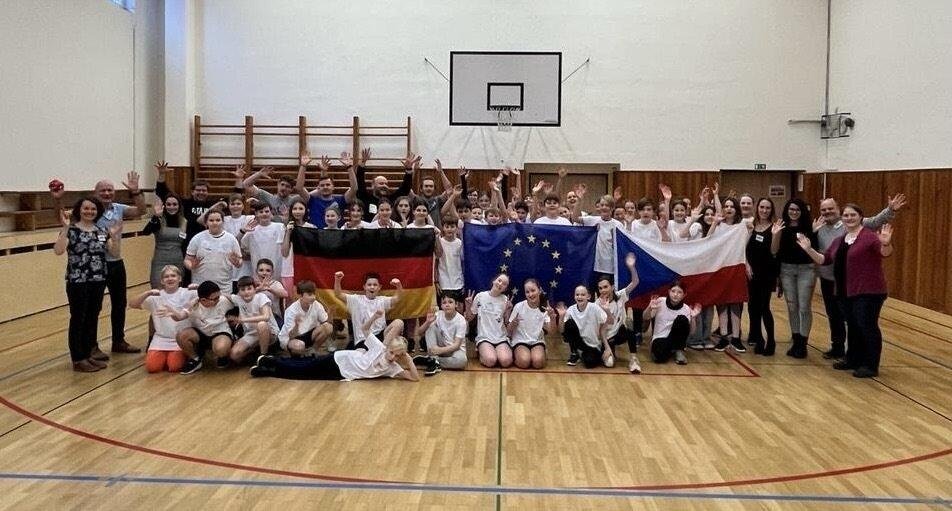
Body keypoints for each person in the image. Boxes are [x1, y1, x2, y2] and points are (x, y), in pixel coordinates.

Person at [796, 205, 895, 378]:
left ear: (860, 217)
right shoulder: (840, 240)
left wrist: (886, 244)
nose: (849, 218)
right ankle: (853, 359)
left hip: (869, 291)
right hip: (846, 291)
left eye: (853, 215)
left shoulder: (869, 237)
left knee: (867, 326)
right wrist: (808, 249)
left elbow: (884, 253)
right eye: (846, 215)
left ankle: (870, 364)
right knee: (854, 326)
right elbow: (824, 259)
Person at [813, 194, 903, 359]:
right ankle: (841, 350)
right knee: (836, 317)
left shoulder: (863, 230)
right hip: (832, 281)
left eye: (830, 208)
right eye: (823, 210)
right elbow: (823, 256)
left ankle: (867, 360)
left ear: (838, 209)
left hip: (860, 285)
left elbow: (879, 226)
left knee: (862, 323)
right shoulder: (823, 231)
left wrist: (890, 210)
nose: (827, 212)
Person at [53, 197, 121, 372]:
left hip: (97, 280)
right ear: (79, 210)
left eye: (93, 209)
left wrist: (114, 237)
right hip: (78, 281)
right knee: (78, 318)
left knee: (92, 317)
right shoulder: (72, 230)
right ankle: (78, 358)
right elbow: (58, 251)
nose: (89, 212)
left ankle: (88, 354)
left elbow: (114, 252)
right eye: (86, 208)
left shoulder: (101, 230)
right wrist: (65, 227)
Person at [250, 314, 419, 382]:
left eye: (397, 356)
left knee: (303, 376)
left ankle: (267, 371)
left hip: (341, 374)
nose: (392, 357)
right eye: (392, 353)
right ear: (388, 348)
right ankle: (270, 360)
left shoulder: (393, 368)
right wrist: (374, 317)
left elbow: (414, 378)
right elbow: (366, 330)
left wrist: (408, 359)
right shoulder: (379, 348)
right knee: (304, 367)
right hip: (340, 359)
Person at [770, 198, 818, 359]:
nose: (794, 212)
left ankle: (803, 343)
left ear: (802, 211)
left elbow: (814, 250)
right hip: (787, 269)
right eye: (791, 209)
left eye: (797, 209)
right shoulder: (781, 227)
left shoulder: (809, 228)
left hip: (806, 269)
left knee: (804, 306)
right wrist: (776, 234)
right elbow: (774, 250)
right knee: (792, 306)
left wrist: (812, 233)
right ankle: (796, 338)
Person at [129, 266, 196, 373]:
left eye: (173, 276)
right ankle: (163, 355)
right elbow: (132, 304)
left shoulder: (187, 293)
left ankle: (183, 354)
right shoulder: (156, 297)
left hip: (179, 339)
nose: (170, 279)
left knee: (174, 366)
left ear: (180, 278)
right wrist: (147, 293)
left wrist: (197, 288)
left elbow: (206, 294)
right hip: (161, 338)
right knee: (152, 367)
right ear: (162, 281)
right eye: (166, 277)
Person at [708, 196, 748, 353]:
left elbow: (745, 246)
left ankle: (736, 338)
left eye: (732, 206)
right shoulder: (719, 226)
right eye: (726, 206)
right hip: (721, 268)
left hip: (736, 267)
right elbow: (708, 239)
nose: (729, 208)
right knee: (722, 303)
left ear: (736, 209)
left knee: (735, 303)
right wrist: (715, 222)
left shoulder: (742, 226)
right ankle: (724, 337)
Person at [174, 281, 238, 374]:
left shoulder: (223, 300)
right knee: (181, 336)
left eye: (218, 297)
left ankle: (223, 355)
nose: (217, 300)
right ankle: (195, 359)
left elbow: (241, 300)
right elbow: (180, 317)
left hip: (219, 332)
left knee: (221, 349)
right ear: (203, 300)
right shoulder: (194, 305)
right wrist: (172, 312)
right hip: (201, 334)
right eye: (214, 298)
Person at [595, 253, 640, 373]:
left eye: (605, 287)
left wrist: (631, 267)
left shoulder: (620, 296)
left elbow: (635, 282)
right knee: (609, 364)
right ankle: (607, 351)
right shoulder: (596, 305)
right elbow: (601, 330)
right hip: (605, 338)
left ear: (612, 286)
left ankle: (634, 359)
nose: (603, 290)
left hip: (619, 333)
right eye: (600, 288)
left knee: (629, 326)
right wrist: (608, 348)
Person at [334, 271, 403, 349]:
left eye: (375, 285)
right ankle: (381, 351)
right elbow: (338, 294)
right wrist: (337, 280)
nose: (372, 287)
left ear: (379, 287)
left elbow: (397, 298)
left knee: (399, 322)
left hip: (380, 336)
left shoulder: (382, 300)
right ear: (364, 287)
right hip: (363, 339)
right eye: (369, 285)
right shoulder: (356, 299)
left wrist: (398, 285)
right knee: (361, 354)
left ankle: (383, 349)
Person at [746, 198, 779, 355]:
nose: (764, 210)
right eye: (762, 207)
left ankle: (771, 341)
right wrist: (747, 265)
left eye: (767, 208)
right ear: (757, 208)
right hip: (751, 273)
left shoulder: (775, 227)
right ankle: (758, 339)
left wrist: (775, 235)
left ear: (771, 210)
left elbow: (774, 251)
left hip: (767, 273)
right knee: (753, 308)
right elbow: (744, 248)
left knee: (764, 307)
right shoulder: (751, 226)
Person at [184, 210, 243, 294]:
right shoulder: (197, 238)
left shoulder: (231, 239)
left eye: (218, 220)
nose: (215, 223)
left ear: (223, 222)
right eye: (211, 220)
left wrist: (237, 263)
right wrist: (191, 266)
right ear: (206, 222)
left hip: (224, 287)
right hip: (200, 285)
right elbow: (187, 260)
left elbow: (240, 261)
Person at [348, 149, 415, 221]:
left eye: (386, 184)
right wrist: (362, 165)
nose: (384, 186)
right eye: (381, 183)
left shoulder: (392, 199)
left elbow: (405, 189)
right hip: (369, 230)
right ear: (373, 185)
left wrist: (408, 170)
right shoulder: (365, 198)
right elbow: (360, 184)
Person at [644, 283, 702, 365]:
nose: (675, 294)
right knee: (659, 358)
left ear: (684, 295)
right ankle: (670, 350)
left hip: (676, 338)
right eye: (673, 291)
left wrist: (693, 318)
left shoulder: (686, 308)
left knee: (681, 319)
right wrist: (649, 307)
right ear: (668, 292)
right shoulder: (660, 301)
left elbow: (692, 332)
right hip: (661, 338)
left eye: (679, 292)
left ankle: (679, 350)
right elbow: (645, 317)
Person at [228, 276, 280, 364]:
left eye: (249, 289)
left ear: (254, 289)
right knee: (234, 355)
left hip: (269, 332)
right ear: (239, 291)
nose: (246, 292)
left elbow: (266, 316)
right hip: (251, 334)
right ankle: (254, 351)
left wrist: (243, 320)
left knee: (261, 324)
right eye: (243, 289)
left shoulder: (261, 297)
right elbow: (223, 294)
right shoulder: (238, 299)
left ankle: (263, 355)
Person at [557, 284, 611, 369]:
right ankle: (574, 353)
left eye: (583, 294)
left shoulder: (594, 308)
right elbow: (561, 331)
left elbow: (609, 322)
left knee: (589, 363)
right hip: (580, 342)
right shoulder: (571, 309)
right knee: (569, 323)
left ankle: (587, 354)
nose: (580, 297)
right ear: (574, 296)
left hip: (593, 344)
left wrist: (607, 311)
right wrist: (561, 317)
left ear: (588, 296)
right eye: (577, 294)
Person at [507, 279, 557, 370]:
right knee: (524, 362)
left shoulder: (545, 308)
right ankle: (516, 354)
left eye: (533, 290)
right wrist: (513, 324)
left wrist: (553, 318)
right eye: (527, 292)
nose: (530, 294)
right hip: (520, 341)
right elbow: (508, 330)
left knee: (538, 363)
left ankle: (542, 352)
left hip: (537, 341)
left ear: (539, 290)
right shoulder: (519, 306)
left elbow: (552, 332)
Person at [465, 274, 513, 368]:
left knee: (506, 361)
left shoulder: (505, 300)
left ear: (505, 288)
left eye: (504, 284)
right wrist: (468, 306)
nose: (500, 284)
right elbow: (469, 318)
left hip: (500, 338)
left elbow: (507, 322)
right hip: (484, 337)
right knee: (491, 361)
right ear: (494, 281)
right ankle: (482, 352)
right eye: (499, 280)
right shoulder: (480, 296)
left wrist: (508, 311)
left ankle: (495, 352)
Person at [414, 293, 469, 375]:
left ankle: (432, 361)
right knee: (431, 325)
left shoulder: (461, 320)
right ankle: (433, 359)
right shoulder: (438, 315)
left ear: (456, 305)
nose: (447, 305)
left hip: (454, 350)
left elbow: (456, 345)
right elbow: (418, 332)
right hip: (440, 347)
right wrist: (427, 322)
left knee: (462, 361)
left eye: (450, 302)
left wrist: (439, 350)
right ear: (441, 305)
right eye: (444, 303)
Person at [278, 280, 334, 357]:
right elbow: (291, 335)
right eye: (310, 294)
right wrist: (296, 325)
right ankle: (295, 355)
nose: (313, 297)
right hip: (293, 337)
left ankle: (312, 350)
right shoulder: (291, 310)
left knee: (328, 327)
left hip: (308, 334)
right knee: (299, 346)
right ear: (300, 296)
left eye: (314, 294)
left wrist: (330, 314)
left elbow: (326, 322)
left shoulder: (316, 304)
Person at [295, 152, 349, 228]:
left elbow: (354, 189)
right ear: (318, 188)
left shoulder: (340, 200)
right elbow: (299, 188)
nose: (325, 187)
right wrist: (303, 166)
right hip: (316, 236)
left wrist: (349, 167)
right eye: (322, 186)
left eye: (328, 185)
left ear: (333, 187)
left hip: (336, 236)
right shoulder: (312, 200)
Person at [143, 194, 186, 289]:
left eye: (175, 204)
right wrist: (155, 216)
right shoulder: (159, 219)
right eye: (168, 204)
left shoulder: (184, 221)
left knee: (176, 292)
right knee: (158, 290)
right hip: (160, 261)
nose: (172, 207)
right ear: (164, 206)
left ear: (179, 206)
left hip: (178, 261)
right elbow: (145, 232)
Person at [241, 164, 305, 224]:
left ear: (291, 189)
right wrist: (259, 174)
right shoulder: (268, 197)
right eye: (282, 184)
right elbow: (246, 184)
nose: (283, 188)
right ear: (278, 184)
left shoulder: (295, 200)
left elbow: (306, 196)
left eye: (287, 186)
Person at [238, 203, 286, 279]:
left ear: (271, 213)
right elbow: (239, 246)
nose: (264, 214)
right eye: (261, 212)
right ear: (256, 214)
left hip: (278, 271)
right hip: (258, 273)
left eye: (267, 211)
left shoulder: (280, 227)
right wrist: (243, 231)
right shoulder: (251, 231)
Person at [280, 197, 316, 295]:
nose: (297, 211)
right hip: (289, 270)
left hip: (305, 269)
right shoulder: (284, 228)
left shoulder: (311, 228)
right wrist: (288, 232)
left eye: (301, 209)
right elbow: (284, 253)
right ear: (291, 211)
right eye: (295, 209)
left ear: (305, 211)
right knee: (289, 300)